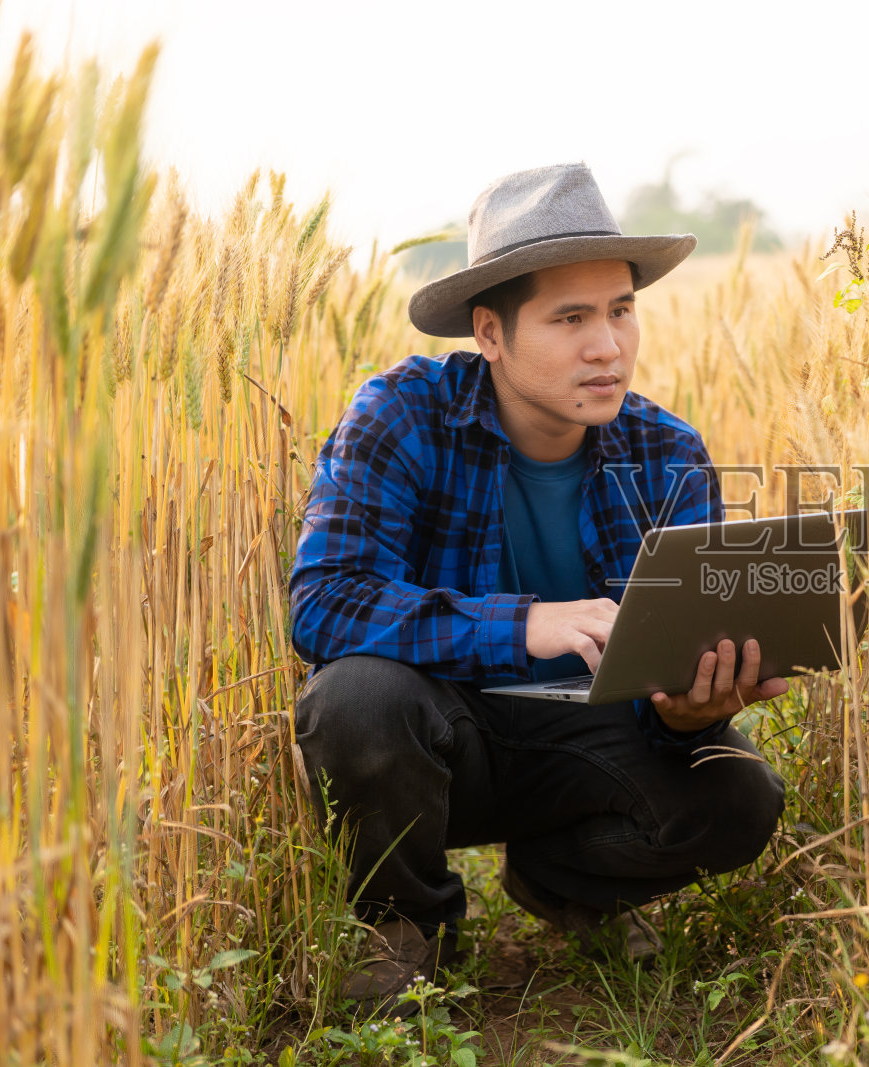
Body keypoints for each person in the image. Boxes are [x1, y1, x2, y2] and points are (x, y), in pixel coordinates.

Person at [288, 163, 790, 1018]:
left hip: (585, 746)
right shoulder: (401, 415)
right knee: (355, 699)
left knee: (741, 794)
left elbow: (668, 694)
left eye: (621, 311)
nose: (608, 346)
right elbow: (323, 601)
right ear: (490, 332)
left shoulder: (667, 453)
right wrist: (525, 623)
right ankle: (408, 929)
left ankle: (566, 883)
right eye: (571, 318)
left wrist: (688, 710)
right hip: (441, 738)